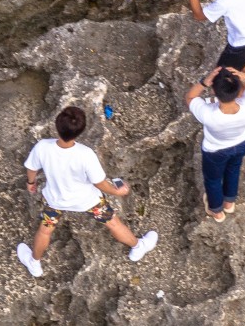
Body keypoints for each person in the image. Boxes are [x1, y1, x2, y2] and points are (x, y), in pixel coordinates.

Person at [17, 106, 159, 276]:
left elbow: (31, 168)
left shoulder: (42, 147)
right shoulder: (85, 154)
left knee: (45, 230)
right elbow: (100, 183)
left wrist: (30, 182)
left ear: (57, 125)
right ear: (80, 132)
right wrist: (117, 192)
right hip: (88, 201)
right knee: (113, 223)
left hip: (56, 200)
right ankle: (137, 247)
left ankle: (34, 263)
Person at [185, 57, 245, 221]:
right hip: (241, 144)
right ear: (239, 87)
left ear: (213, 91)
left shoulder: (208, 114)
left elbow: (190, 97)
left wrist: (204, 82)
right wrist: (243, 75)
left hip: (215, 151)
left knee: (213, 180)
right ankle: (229, 203)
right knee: (233, 170)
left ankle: (217, 211)